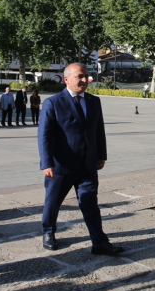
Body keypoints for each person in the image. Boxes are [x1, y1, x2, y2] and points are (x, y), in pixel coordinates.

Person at [38, 63, 123, 255]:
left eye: (86, 76)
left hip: (88, 164)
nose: (85, 80)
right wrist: (47, 162)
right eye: (80, 77)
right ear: (66, 79)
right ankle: (48, 232)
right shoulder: (53, 102)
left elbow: (98, 130)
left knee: (90, 203)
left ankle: (99, 241)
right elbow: (44, 135)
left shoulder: (94, 101)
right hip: (61, 165)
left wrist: (101, 155)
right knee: (53, 201)